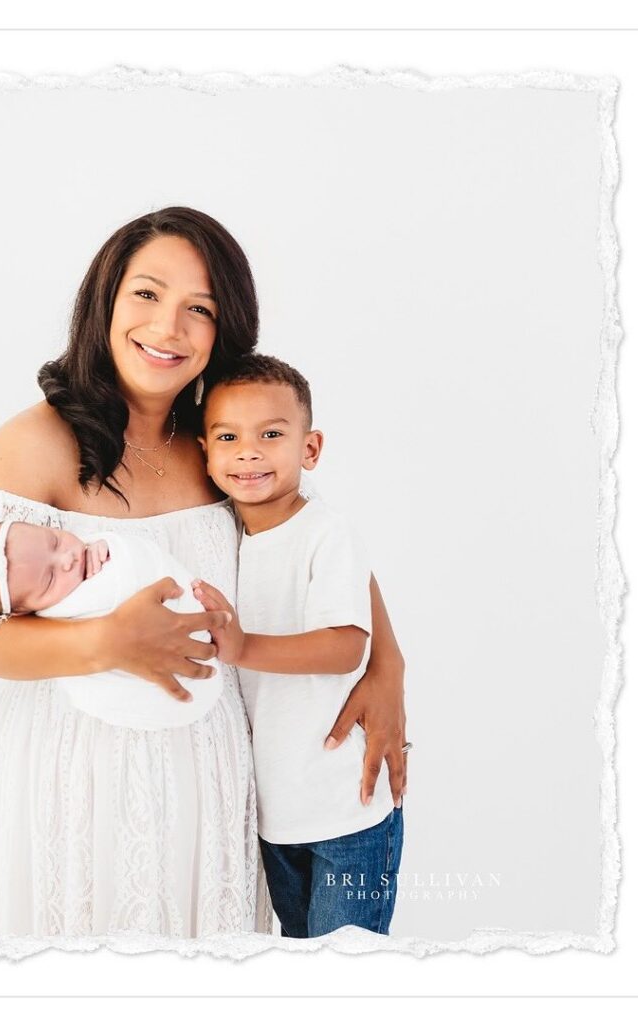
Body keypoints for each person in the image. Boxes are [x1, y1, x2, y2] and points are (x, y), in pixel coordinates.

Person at [0, 207, 407, 939]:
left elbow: (314, 539)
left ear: (226, 330)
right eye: (147, 295)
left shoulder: (224, 447)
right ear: (107, 300)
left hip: (206, 795)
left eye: (200, 309)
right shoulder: (38, 441)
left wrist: (389, 666)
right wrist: (108, 642)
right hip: (68, 793)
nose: (168, 327)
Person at [192, 353, 405, 937]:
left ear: (309, 450)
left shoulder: (326, 533)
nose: (249, 451)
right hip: (277, 816)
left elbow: (345, 648)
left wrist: (241, 646)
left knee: (345, 978)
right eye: (228, 437)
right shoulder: (223, 535)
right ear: (206, 454)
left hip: (346, 807)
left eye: (271, 435)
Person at [0, 518, 223, 728]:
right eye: (49, 578)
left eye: (55, 541)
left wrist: (109, 547)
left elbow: (136, 556)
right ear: (23, 612)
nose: (68, 559)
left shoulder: (84, 552)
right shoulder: (61, 612)